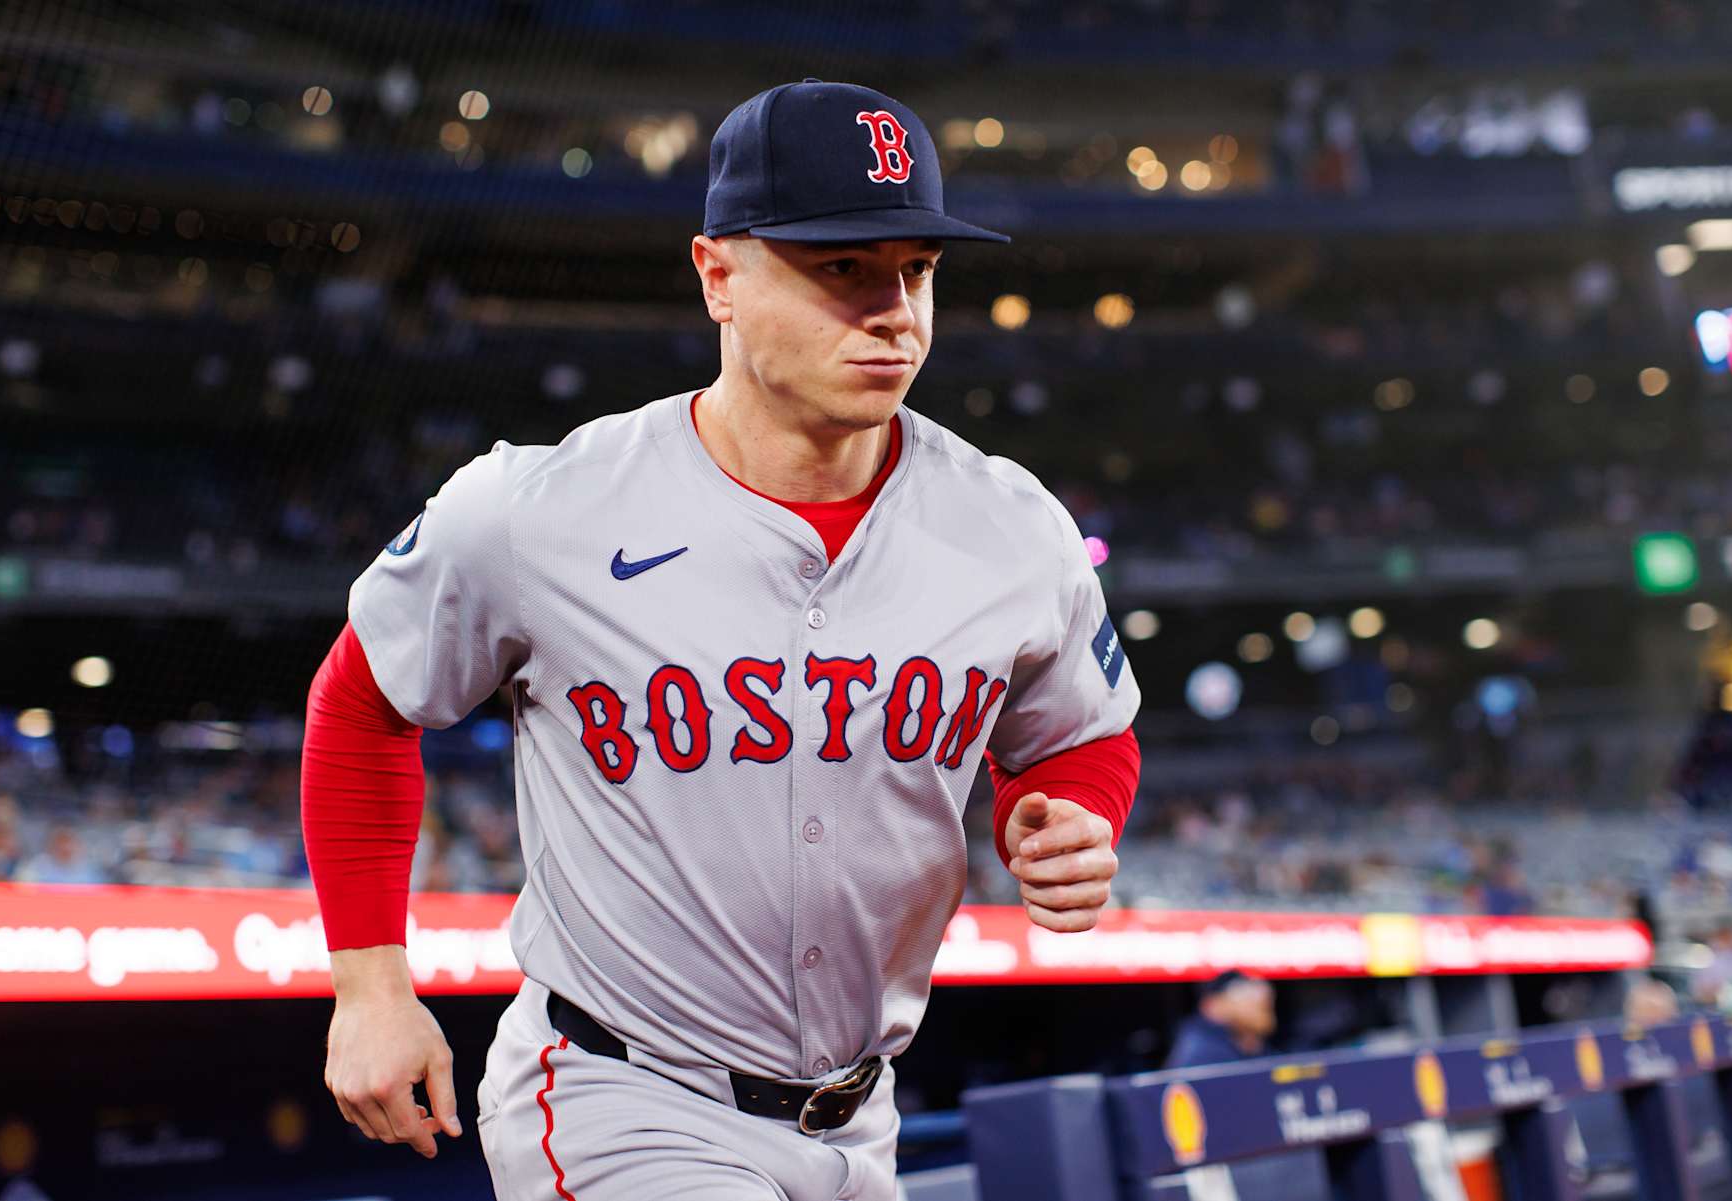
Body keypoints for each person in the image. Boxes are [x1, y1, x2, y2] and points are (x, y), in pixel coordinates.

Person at [300, 78, 1143, 1200]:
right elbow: (361, 701)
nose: (895, 309)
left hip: (861, 1113)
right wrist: (368, 981)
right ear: (718, 276)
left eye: (918, 269)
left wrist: (1080, 811)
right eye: (843, 267)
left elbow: (1083, 735)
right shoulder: (538, 512)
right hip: (622, 1096)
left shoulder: (1012, 527)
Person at [1164, 970, 1278, 1069]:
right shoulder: (1202, 1051)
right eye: (1245, 996)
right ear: (1211, 1005)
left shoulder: (1249, 1042)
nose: (1258, 1002)